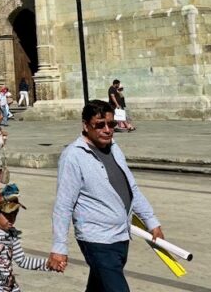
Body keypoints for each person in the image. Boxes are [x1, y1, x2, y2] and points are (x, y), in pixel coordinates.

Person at [48, 100, 164, 291]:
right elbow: (63, 205)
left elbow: (131, 188)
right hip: (97, 239)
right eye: (100, 125)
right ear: (86, 125)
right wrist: (59, 247)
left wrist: (151, 221)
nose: (107, 130)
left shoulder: (114, 148)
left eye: (111, 124)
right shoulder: (73, 156)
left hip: (120, 235)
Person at [0, 184, 55, 291]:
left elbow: (22, 260)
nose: (12, 219)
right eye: (7, 215)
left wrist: (49, 264)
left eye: (15, 214)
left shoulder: (11, 232)